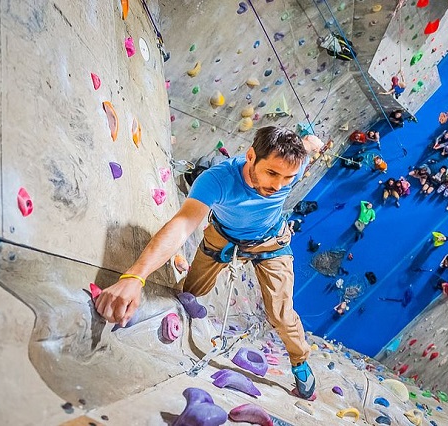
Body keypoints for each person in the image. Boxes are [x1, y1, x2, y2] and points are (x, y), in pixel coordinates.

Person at [94, 126, 321, 399]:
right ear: (251, 156)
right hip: (223, 237)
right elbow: (182, 225)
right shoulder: (217, 180)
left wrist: (312, 143)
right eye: (272, 173)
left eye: (288, 178)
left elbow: (309, 148)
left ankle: (300, 361)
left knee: (281, 314)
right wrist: (134, 277)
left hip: (272, 244)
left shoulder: (292, 167)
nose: (278, 186)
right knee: (190, 291)